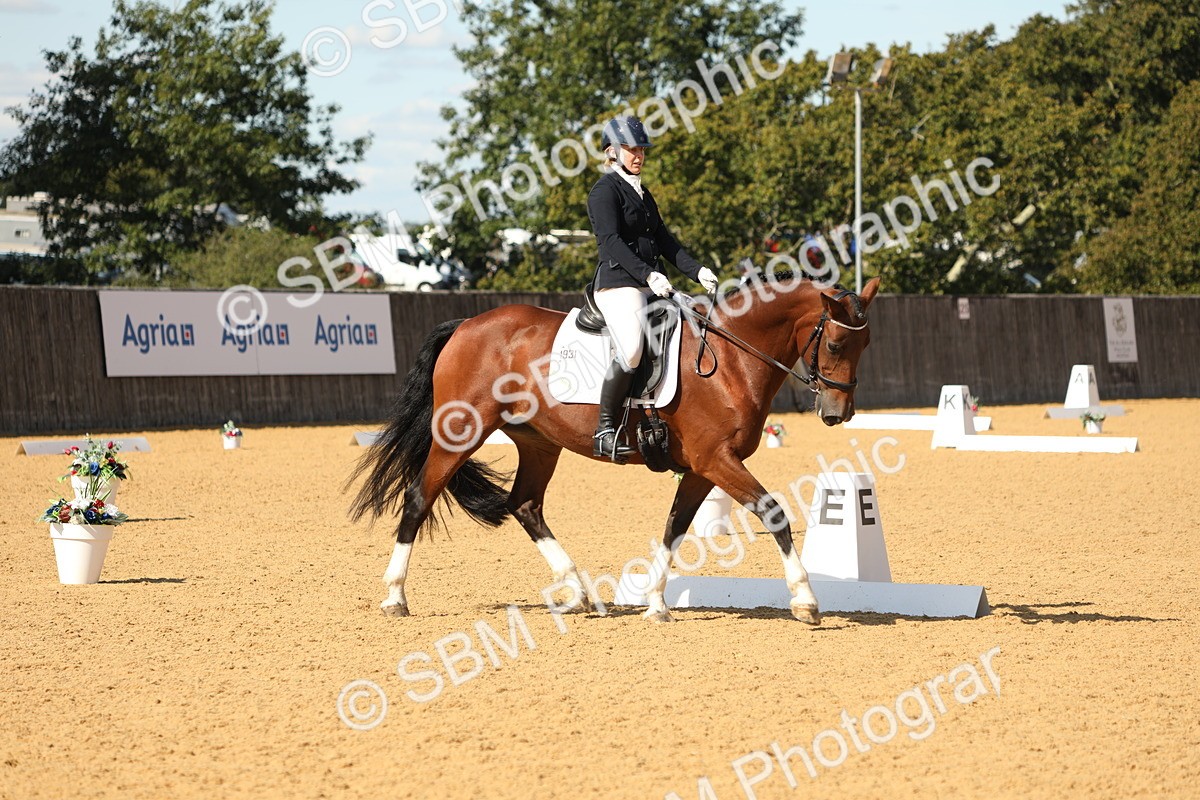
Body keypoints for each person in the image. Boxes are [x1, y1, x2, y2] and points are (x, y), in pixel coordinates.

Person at [586, 115, 719, 462]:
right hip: (618, 285)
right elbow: (611, 242)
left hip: (651, 283)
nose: (639, 155)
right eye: (631, 149)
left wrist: (697, 270)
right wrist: (647, 275)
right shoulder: (604, 191)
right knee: (631, 349)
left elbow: (665, 241)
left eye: (641, 149)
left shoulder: (643, 194)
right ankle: (604, 429)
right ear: (612, 152)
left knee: (693, 326)